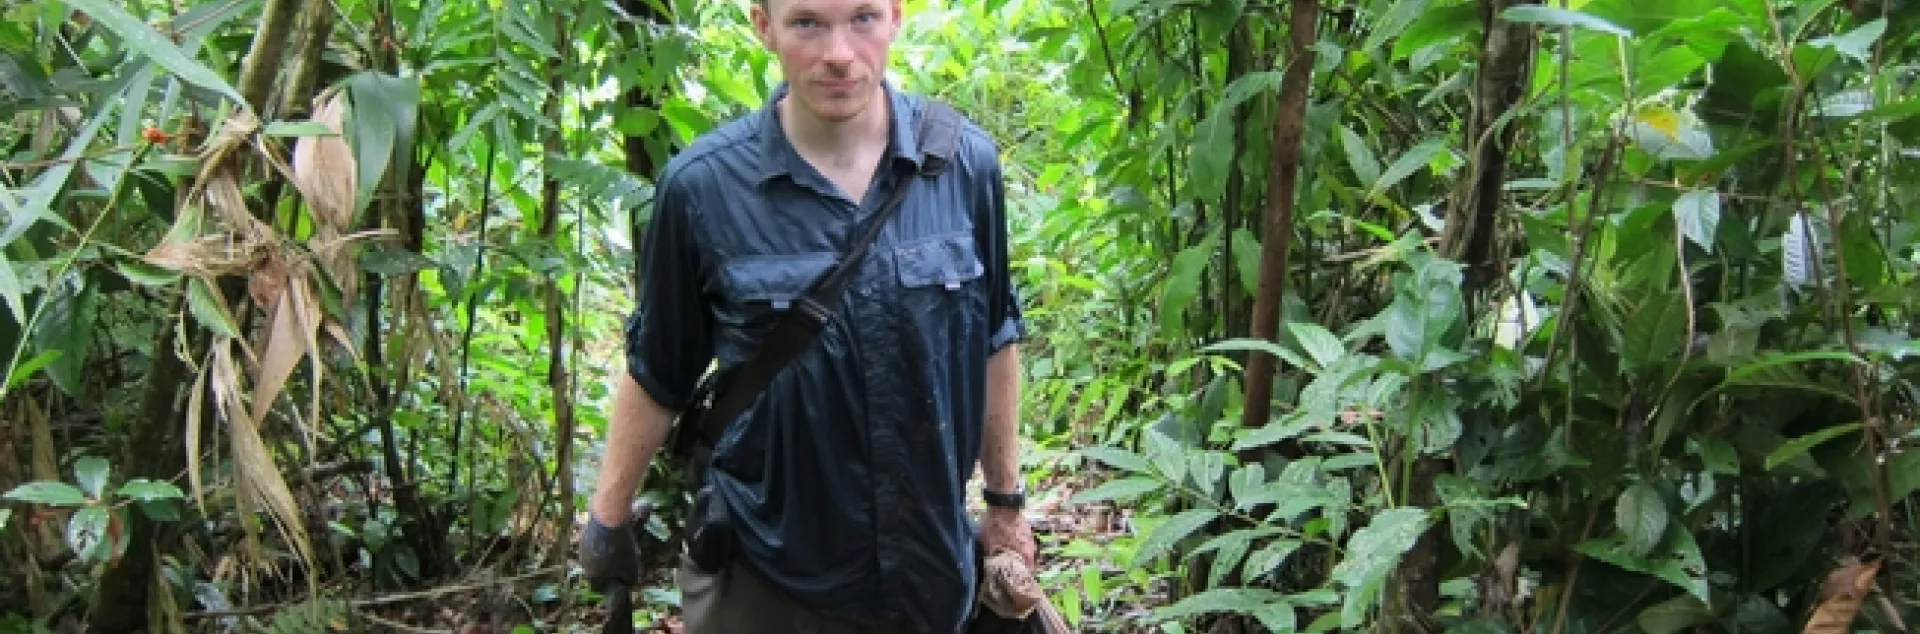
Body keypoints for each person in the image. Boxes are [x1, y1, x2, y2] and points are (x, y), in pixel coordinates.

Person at [577, 0, 1036, 632]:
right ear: (763, 26)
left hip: (930, 569)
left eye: (863, 18)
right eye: (807, 23)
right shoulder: (702, 188)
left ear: (896, 16)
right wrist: (608, 518)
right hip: (765, 572)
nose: (839, 55)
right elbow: (659, 369)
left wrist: (1006, 503)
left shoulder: (965, 167)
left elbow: (995, 338)